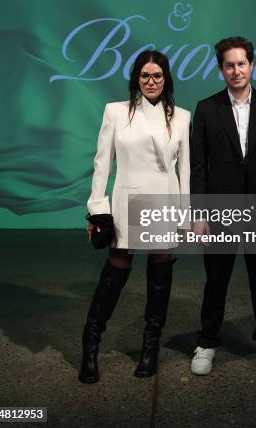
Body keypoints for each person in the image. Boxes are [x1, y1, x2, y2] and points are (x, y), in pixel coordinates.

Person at [79, 50, 190, 383]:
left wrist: (185, 215)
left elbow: (185, 170)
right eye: (145, 76)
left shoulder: (182, 116)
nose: (151, 81)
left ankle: (150, 347)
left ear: (166, 79)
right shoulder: (116, 112)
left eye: (157, 76)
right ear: (135, 79)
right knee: (116, 267)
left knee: (159, 272)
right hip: (127, 200)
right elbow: (103, 164)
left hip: (165, 199)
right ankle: (91, 344)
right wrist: (98, 209)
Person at [190, 36, 256, 378]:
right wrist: (200, 213)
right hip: (220, 212)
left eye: (241, 63)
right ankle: (206, 342)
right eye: (229, 65)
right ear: (220, 70)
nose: (236, 70)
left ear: (252, 65)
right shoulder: (207, 109)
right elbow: (199, 167)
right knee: (215, 280)